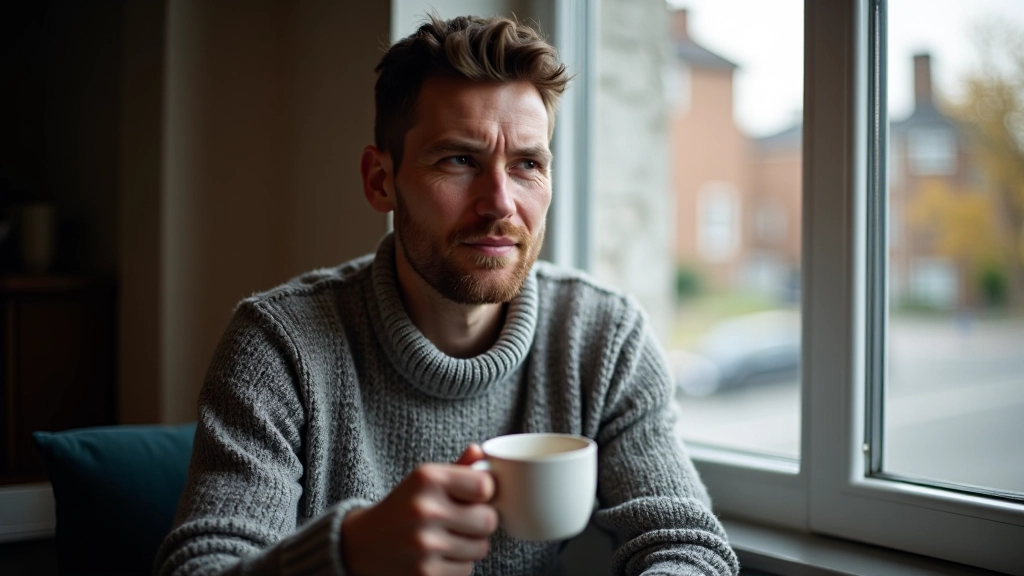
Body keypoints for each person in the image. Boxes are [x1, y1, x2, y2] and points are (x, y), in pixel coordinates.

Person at [155, 14, 739, 576]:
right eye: (460, 160)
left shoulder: (602, 338)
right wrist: (346, 555)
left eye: (527, 164)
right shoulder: (280, 346)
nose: (500, 204)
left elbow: (688, 544)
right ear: (381, 181)